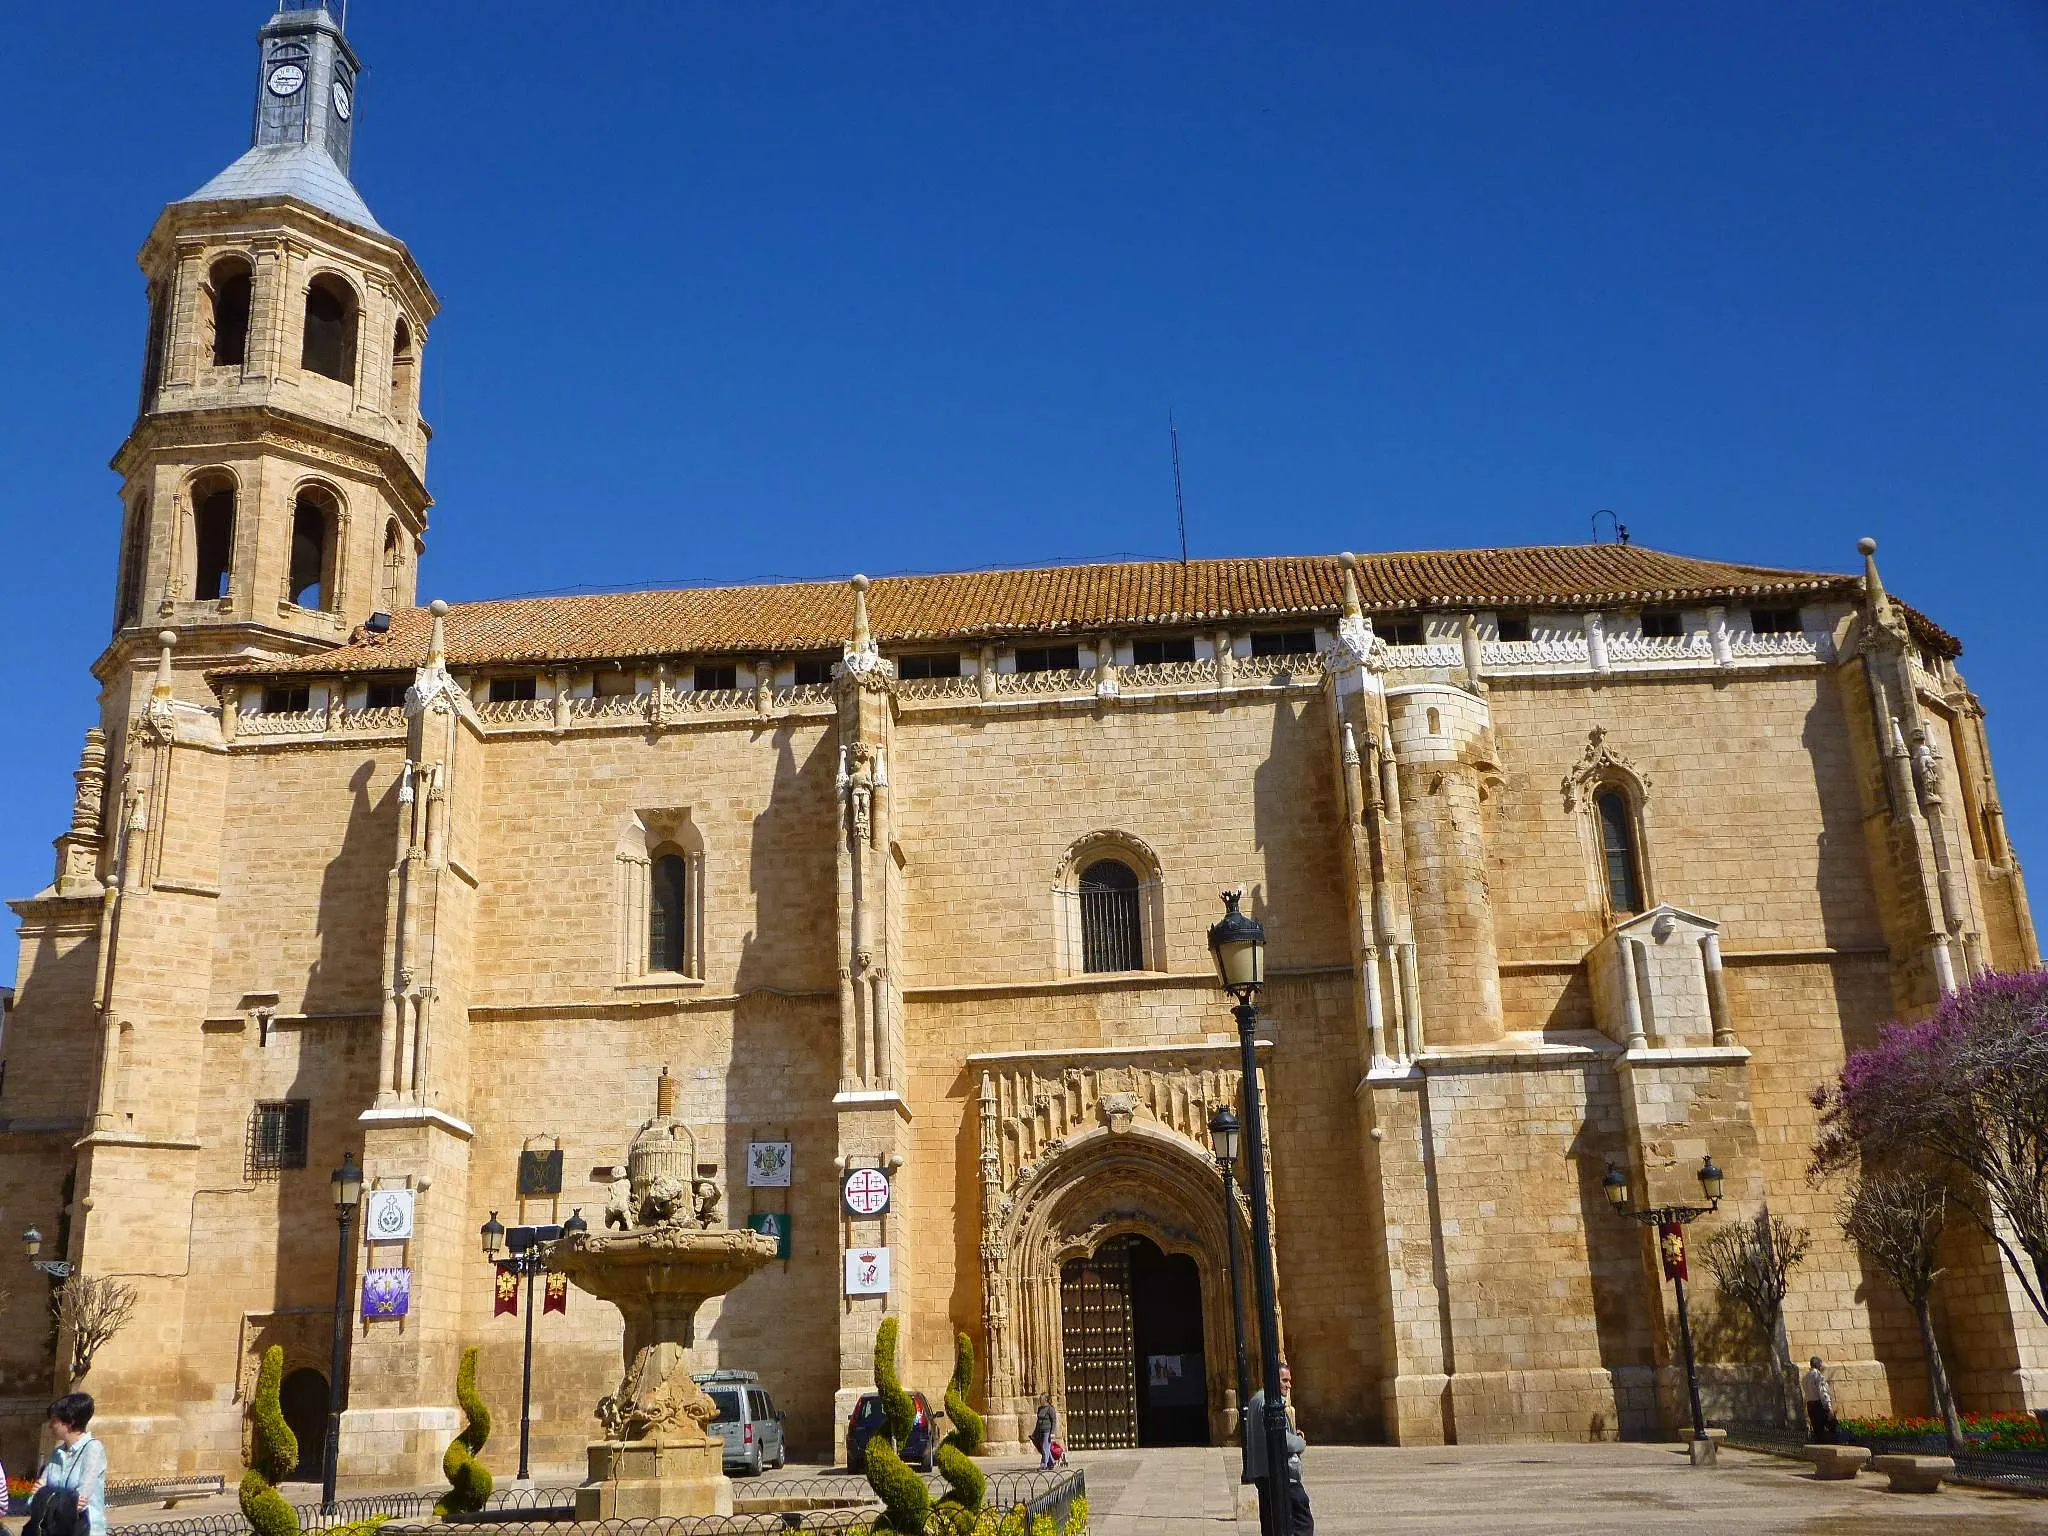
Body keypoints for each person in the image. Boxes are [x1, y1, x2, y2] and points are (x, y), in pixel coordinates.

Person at [1244, 1364, 1311, 1536]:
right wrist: (1301, 1441)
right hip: (1281, 1475)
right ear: (1273, 1381)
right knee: (1302, 1522)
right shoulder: (1269, 1402)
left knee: (1271, 1525)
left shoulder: (1255, 1400)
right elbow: (1283, 1441)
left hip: (1262, 1473)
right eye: (1285, 1380)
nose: (1289, 1385)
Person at [33, 1394, 106, 1536]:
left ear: (70, 1422)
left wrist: (48, 1496)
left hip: (85, 1530)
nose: (50, 1426)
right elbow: (33, 1500)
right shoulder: (57, 1453)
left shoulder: (93, 1449)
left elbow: (81, 1500)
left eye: (54, 1421)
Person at [1802, 1357, 1837, 1443]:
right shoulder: (1818, 1376)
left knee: (1818, 1431)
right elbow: (1823, 1393)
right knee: (1834, 1427)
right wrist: (1829, 1408)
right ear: (1818, 1365)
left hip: (1810, 1405)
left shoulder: (1805, 1377)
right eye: (1820, 1364)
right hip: (1819, 1405)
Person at [1032, 1395, 1058, 1470]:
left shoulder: (1050, 1409)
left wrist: (1052, 1433)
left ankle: (1043, 1464)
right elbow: (1038, 1421)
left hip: (1047, 1431)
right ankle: (1052, 1462)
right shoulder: (1040, 1409)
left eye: (1041, 1398)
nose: (1040, 1400)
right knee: (1046, 1448)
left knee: (1044, 1447)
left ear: (1046, 1399)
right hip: (1040, 1430)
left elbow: (1054, 1421)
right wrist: (1035, 1432)